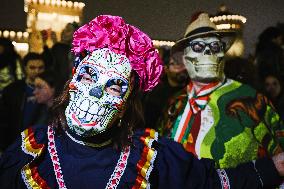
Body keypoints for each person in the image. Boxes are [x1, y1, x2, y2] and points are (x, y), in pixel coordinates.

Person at [0, 15, 283, 189]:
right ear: (71, 83)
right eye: (88, 77)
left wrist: (276, 166)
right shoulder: (29, 152)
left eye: (114, 87)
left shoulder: (152, 157)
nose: (96, 93)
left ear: (126, 105)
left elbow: (214, 182)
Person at [160, 13, 284, 169]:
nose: (208, 53)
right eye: (198, 46)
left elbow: (279, 160)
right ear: (185, 58)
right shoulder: (175, 103)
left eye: (215, 46)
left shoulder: (252, 100)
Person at [0, 52, 46, 151]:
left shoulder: (50, 90)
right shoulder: (12, 90)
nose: (37, 71)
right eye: (32, 68)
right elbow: (4, 119)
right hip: (15, 141)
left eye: (40, 67)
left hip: (38, 142)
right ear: (25, 68)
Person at [143, 49, 189, 129]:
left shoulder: (192, 91)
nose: (182, 68)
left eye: (184, 64)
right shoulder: (155, 94)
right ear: (166, 68)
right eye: (176, 64)